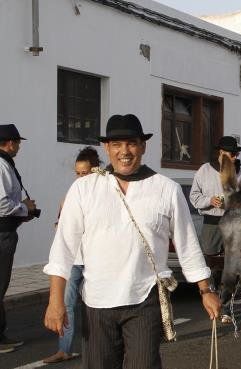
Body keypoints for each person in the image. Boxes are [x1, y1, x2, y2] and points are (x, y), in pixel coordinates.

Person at [43, 114, 221, 368]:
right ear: (107, 148)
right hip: (97, 303)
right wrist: (55, 301)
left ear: (143, 146)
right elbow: (62, 249)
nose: (124, 151)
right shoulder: (84, 189)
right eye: (116, 144)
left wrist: (205, 290)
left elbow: (187, 245)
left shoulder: (165, 189)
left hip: (144, 301)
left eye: (131, 143)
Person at [42, 147, 101, 363]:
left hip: (96, 261)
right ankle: (64, 349)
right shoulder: (70, 196)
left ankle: (100, 349)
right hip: (74, 260)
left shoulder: (107, 194)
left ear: (96, 171)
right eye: (77, 173)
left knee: (95, 307)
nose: (80, 178)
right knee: (66, 305)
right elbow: (63, 229)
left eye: (84, 173)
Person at [0, 124, 36, 354]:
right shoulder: (1, 166)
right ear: (10, 143)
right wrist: (24, 207)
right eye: (18, 142)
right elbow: (2, 204)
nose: (19, 147)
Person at [190, 136, 241, 257]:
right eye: (232, 154)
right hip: (211, 225)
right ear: (221, 152)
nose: (235, 157)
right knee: (210, 260)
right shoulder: (205, 170)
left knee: (234, 263)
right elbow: (194, 196)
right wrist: (209, 200)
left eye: (236, 154)